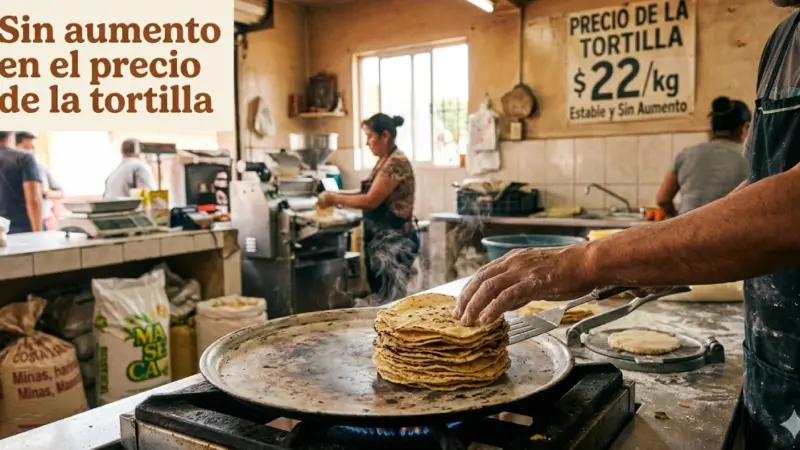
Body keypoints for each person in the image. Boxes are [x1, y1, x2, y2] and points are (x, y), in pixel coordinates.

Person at [454, 3, 800, 448]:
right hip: (774, 367)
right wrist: (660, 259)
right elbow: (763, 188)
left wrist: (589, 260)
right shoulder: (782, 43)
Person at [317, 113, 418, 306]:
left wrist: (334, 198)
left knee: (391, 300)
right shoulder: (385, 160)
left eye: (370, 136)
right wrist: (334, 195)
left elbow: (371, 200)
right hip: (382, 239)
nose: (367, 142)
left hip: (395, 241)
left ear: (385, 135)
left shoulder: (396, 162)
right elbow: (366, 192)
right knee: (381, 296)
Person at [656, 97, 750, 216]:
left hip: (688, 224)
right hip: (732, 225)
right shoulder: (751, 158)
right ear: (745, 128)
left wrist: (676, 219)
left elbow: (662, 199)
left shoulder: (686, 154)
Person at [15, 132, 64, 231]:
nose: (31, 152)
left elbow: (60, 193)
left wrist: (45, 193)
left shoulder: (41, 167)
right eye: (26, 148)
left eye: (32, 148)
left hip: (45, 220)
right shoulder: (8, 169)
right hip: (18, 223)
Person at [0, 131, 43, 234]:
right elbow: (33, 200)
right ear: (11, 133)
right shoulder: (24, 158)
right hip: (22, 230)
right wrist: (38, 234)